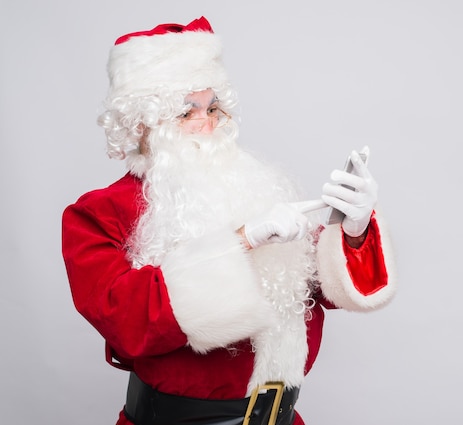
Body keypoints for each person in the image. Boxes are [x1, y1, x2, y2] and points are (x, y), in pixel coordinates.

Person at [61, 16, 396, 425]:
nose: (209, 124)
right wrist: (241, 242)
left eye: (214, 107)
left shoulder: (250, 185)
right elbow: (126, 323)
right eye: (188, 112)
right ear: (141, 124)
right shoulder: (97, 213)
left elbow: (322, 290)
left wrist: (354, 229)